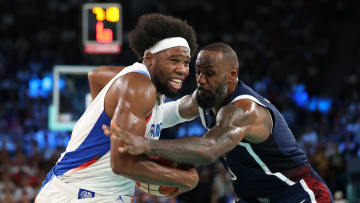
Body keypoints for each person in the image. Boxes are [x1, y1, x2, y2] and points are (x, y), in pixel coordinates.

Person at [104, 42, 334, 203]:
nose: (201, 80)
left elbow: (209, 149)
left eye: (209, 73)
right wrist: (129, 121)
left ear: (232, 74)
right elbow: (169, 112)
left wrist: (145, 144)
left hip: (298, 194)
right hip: (253, 198)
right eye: (198, 72)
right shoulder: (203, 98)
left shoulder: (244, 110)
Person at [35, 13, 200, 203]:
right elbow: (124, 164)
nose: (182, 69)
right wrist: (188, 179)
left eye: (186, 62)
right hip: (81, 194)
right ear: (149, 58)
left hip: (86, 192)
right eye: (174, 60)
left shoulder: (139, 83)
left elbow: (95, 75)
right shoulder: (139, 87)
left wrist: (110, 118)